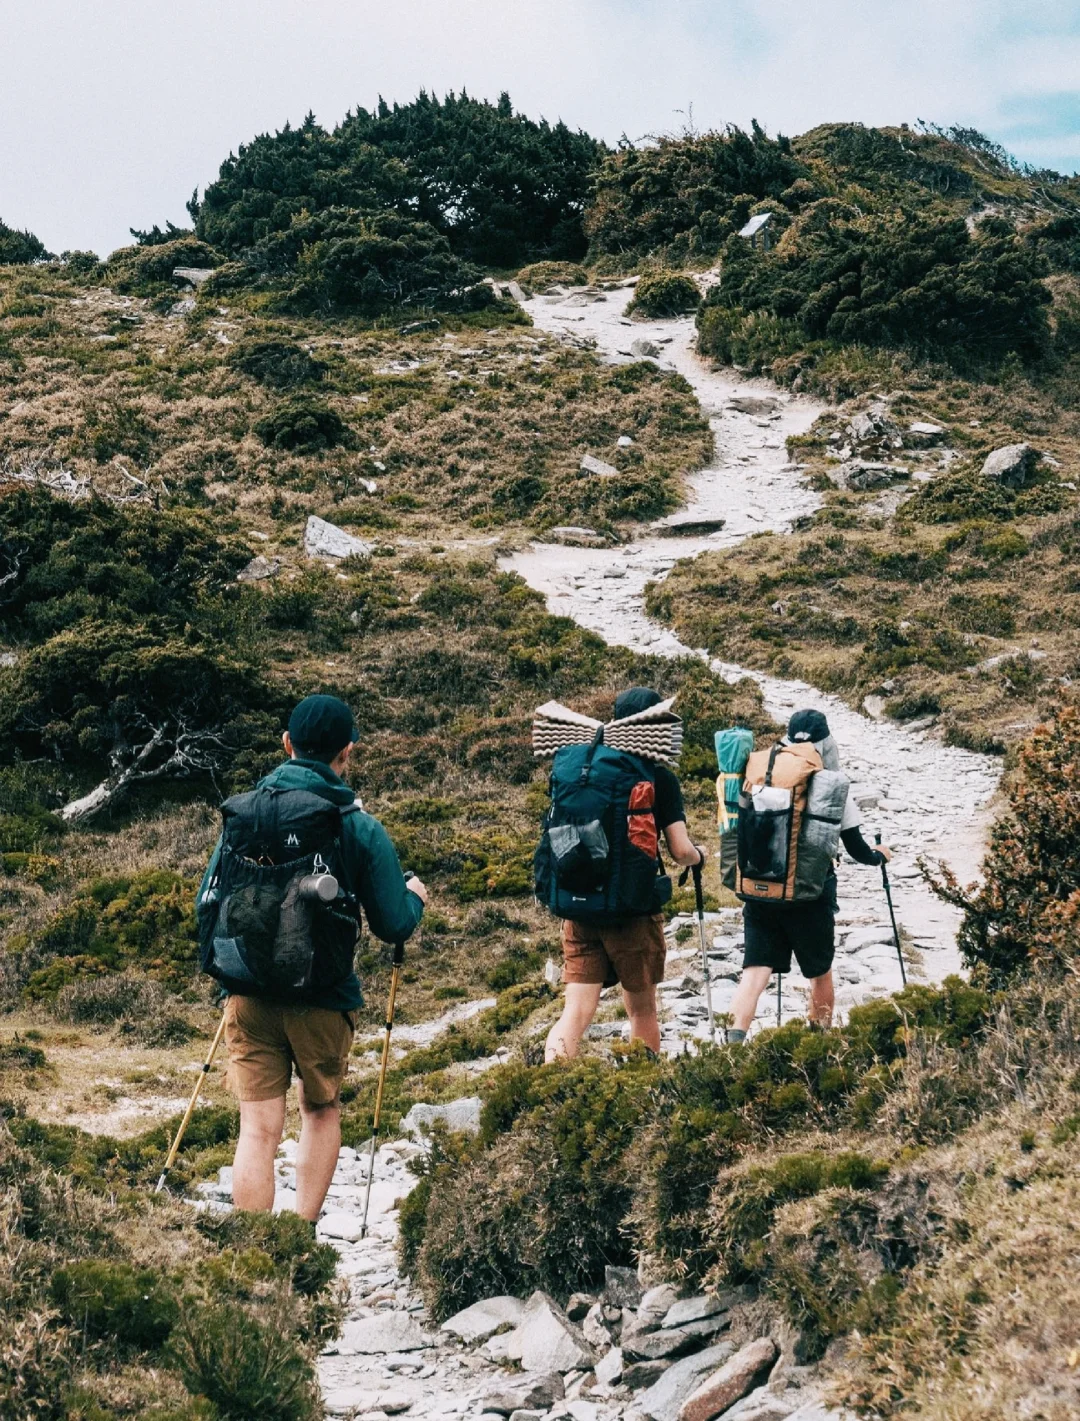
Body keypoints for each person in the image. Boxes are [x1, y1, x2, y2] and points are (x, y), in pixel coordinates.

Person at [198, 694, 427, 1220]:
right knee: (320, 1111)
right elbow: (394, 923)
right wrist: (415, 896)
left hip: (248, 993)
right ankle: (301, 1234)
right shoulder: (358, 826)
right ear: (347, 751)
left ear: (286, 744)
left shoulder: (246, 815)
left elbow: (205, 901)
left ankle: (256, 1249)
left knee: (256, 1128)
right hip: (323, 998)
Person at [544, 687, 705, 1062]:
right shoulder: (657, 777)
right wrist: (699, 856)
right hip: (631, 911)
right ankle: (641, 1086)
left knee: (576, 1012)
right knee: (642, 1011)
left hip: (579, 906)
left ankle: (548, 1085)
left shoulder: (583, 768)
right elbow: (681, 851)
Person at [726, 708, 890, 1042]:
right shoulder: (826, 781)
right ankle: (818, 1046)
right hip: (808, 896)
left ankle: (732, 1045)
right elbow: (856, 847)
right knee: (819, 974)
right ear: (824, 741)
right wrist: (879, 857)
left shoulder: (762, 771)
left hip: (760, 891)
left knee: (755, 971)